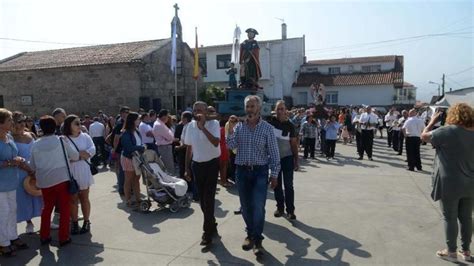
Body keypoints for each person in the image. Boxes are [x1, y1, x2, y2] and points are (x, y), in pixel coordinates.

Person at [226, 95, 280, 256]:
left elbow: (274, 154)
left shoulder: (267, 129)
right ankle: (250, 234)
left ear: (259, 108)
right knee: (245, 207)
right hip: (242, 171)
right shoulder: (239, 127)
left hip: (260, 172)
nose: (250, 109)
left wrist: (275, 175)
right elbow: (231, 145)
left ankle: (257, 240)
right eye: (247, 107)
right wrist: (230, 129)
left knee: (258, 207)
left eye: (252, 106)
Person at [420, 103, 474, 262]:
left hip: (450, 182)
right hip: (471, 182)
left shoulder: (447, 130)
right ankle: (466, 251)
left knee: (449, 217)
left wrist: (431, 122)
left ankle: (451, 251)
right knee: (466, 217)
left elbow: (423, 136)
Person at [30, 115, 79, 247]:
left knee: (46, 208)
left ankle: (44, 236)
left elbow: (32, 166)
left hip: (45, 180)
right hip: (62, 178)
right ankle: (63, 237)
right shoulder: (61, 141)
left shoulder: (35, 144)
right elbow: (75, 155)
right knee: (64, 208)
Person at [184, 101, 221, 247]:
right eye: (195, 110)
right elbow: (189, 147)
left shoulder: (214, 124)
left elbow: (216, 142)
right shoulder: (189, 127)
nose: (197, 113)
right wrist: (187, 168)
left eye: (200, 110)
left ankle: (207, 233)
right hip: (197, 165)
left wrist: (203, 128)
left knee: (209, 198)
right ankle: (211, 223)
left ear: (206, 112)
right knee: (201, 199)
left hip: (212, 164)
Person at [0, 109, 32, 256]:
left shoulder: (9, 137)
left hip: (12, 181)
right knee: (3, 213)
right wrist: (10, 162)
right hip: (1, 183)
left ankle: (13, 237)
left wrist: (19, 160)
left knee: (12, 210)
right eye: (9, 121)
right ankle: (3, 242)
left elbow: (15, 155)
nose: (12, 123)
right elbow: (8, 160)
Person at [63, 115, 96, 234]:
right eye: (76, 123)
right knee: (72, 199)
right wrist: (78, 156)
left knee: (84, 198)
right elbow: (65, 156)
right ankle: (75, 222)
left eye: (79, 123)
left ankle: (86, 222)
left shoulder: (85, 137)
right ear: (69, 126)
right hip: (71, 171)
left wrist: (84, 154)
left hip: (83, 170)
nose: (79, 125)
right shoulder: (64, 139)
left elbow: (92, 149)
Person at [11, 112, 42, 234]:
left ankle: (46, 220)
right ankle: (29, 222)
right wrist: (28, 169)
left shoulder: (31, 135)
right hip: (21, 171)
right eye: (18, 122)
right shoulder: (10, 138)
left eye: (23, 121)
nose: (21, 124)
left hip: (35, 169)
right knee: (24, 197)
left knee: (39, 196)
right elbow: (15, 157)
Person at [269, 100, 299, 220]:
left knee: (288, 186)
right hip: (274, 159)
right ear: (275, 110)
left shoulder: (290, 125)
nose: (280, 111)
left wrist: (296, 160)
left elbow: (293, 144)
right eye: (278, 109)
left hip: (287, 158)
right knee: (276, 185)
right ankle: (280, 208)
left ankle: (290, 210)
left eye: (282, 109)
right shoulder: (269, 122)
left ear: (286, 110)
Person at [120, 112, 145, 207]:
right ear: (133, 120)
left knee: (136, 179)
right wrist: (140, 147)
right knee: (129, 179)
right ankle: (128, 200)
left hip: (137, 158)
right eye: (138, 119)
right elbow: (129, 147)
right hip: (128, 158)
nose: (139, 120)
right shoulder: (126, 133)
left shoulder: (137, 131)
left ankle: (138, 198)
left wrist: (141, 146)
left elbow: (139, 143)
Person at [112, 106, 130, 195]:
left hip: (129, 151)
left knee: (128, 171)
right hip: (121, 151)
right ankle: (122, 188)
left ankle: (128, 188)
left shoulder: (130, 124)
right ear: (121, 114)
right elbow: (116, 139)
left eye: (127, 112)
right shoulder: (119, 125)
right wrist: (115, 151)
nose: (126, 114)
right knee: (122, 171)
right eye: (125, 112)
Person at [153, 109, 176, 174]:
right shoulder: (159, 125)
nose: (168, 118)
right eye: (167, 116)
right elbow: (171, 137)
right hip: (165, 148)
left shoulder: (160, 123)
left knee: (167, 166)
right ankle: (170, 182)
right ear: (164, 116)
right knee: (169, 167)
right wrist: (170, 138)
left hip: (164, 147)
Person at [219, 118, 231, 187]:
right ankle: (224, 182)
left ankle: (222, 180)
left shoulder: (218, 129)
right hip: (225, 149)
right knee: (224, 166)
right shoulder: (225, 130)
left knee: (221, 166)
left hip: (219, 148)